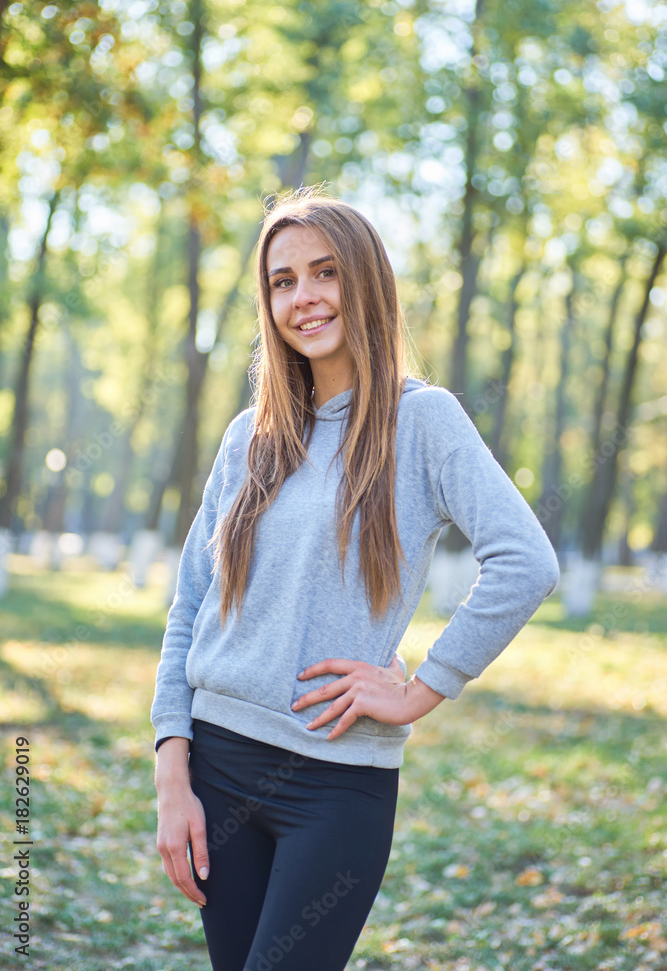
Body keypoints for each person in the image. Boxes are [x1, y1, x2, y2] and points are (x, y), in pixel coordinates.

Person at [150, 189, 560, 971]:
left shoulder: (424, 421)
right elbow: (191, 605)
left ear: (365, 281)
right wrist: (173, 766)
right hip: (216, 770)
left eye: (324, 272)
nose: (302, 298)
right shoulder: (250, 438)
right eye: (281, 281)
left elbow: (524, 560)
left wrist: (420, 688)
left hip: (336, 788)